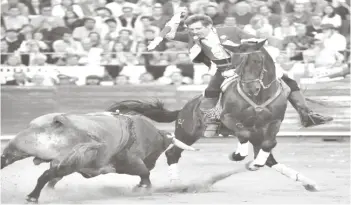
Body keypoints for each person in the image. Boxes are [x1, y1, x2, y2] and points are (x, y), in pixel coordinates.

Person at [147, 9, 333, 135]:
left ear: (209, 26)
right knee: (211, 91)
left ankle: (307, 115)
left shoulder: (231, 30)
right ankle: (214, 121)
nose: (194, 33)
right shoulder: (191, 37)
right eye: (192, 29)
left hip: (244, 63)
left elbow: (254, 42)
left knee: (288, 81)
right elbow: (168, 33)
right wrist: (176, 18)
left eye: (198, 29)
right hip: (221, 68)